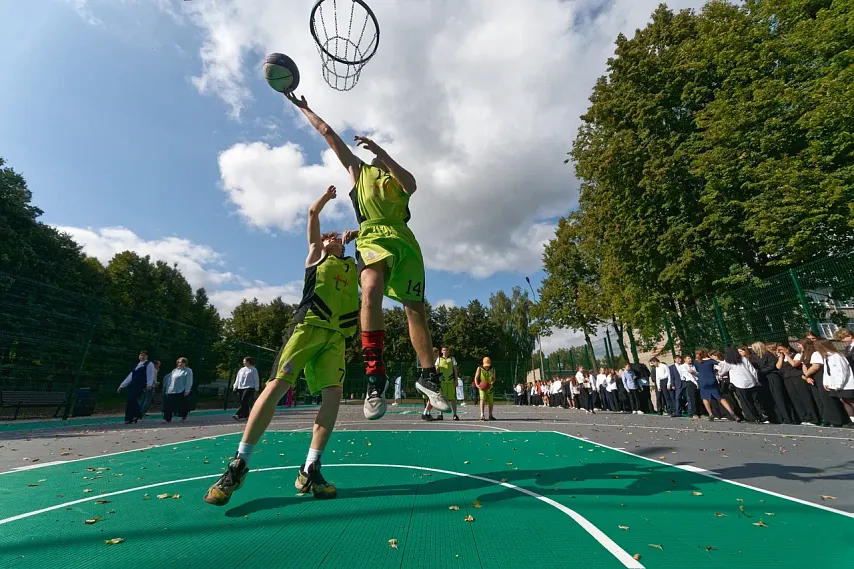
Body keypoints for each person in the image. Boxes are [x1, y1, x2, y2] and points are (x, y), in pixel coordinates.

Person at [285, 91, 449, 421]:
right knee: (371, 291)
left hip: (403, 240)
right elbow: (329, 134)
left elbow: (413, 184)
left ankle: (428, 375)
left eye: (379, 158)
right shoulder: (359, 172)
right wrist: (305, 109)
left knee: (414, 309)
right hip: (373, 235)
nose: (373, 159)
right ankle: (375, 377)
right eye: (373, 157)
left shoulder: (396, 178)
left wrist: (383, 152)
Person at [204, 186, 359, 506]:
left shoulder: (352, 266)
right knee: (276, 388)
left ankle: (310, 467)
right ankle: (239, 464)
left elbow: (371, 248)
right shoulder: (316, 256)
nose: (330, 239)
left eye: (334, 238)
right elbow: (313, 215)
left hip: (336, 338)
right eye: (327, 237)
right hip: (307, 328)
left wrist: (357, 234)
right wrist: (327, 199)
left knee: (333, 397)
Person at [714, 346, 768, 423]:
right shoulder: (743, 359)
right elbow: (752, 370)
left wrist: (718, 371)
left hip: (739, 383)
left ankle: (752, 417)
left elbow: (722, 372)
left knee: (745, 401)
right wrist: (756, 380)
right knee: (755, 399)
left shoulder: (728, 361)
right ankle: (761, 414)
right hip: (750, 381)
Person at [694, 349, 739, 422]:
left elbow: (697, 370)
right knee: (720, 397)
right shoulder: (710, 361)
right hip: (712, 379)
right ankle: (731, 412)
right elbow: (719, 364)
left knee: (705, 398)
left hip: (702, 380)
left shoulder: (696, 362)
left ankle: (710, 414)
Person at [117, 350, 156, 424]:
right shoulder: (137, 365)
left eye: (144, 355)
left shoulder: (149, 364)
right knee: (133, 400)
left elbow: (150, 374)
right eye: (141, 355)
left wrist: (149, 384)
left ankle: (129, 418)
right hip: (134, 385)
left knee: (131, 399)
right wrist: (122, 385)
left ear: (147, 356)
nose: (142, 357)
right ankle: (137, 415)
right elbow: (130, 376)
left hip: (141, 384)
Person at [162, 357, 193, 423]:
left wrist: (187, 390)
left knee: (182, 405)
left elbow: (189, 381)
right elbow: (171, 380)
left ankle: (184, 415)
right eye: (179, 362)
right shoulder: (174, 370)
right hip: (171, 390)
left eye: (182, 362)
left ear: (185, 363)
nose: (180, 363)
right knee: (168, 405)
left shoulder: (188, 370)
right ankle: (167, 419)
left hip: (181, 390)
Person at [435, 347, 460, 420]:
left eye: (446, 350)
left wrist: (456, 380)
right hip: (442, 382)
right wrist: (436, 381)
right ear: (441, 351)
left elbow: (455, 370)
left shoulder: (452, 359)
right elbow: (437, 371)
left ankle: (455, 415)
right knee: (441, 398)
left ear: (449, 351)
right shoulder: (438, 359)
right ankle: (440, 414)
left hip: (450, 382)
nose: (445, 351)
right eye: (444, 350)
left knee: (453, 398)